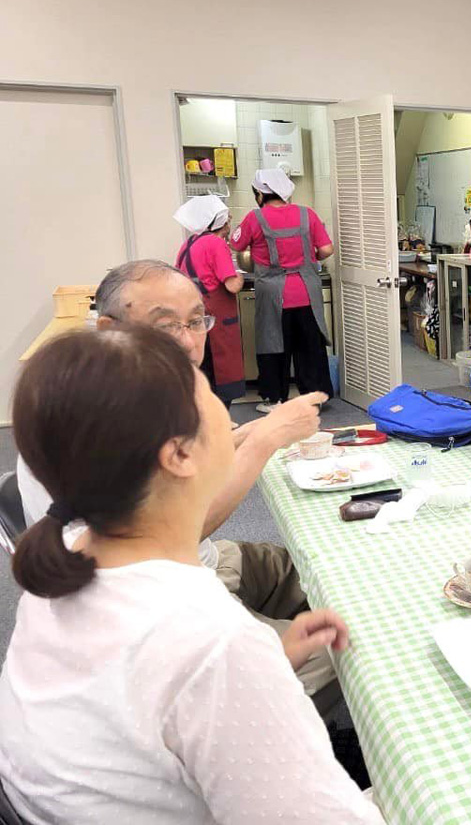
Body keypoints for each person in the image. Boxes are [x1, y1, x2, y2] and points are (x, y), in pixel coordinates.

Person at [0, 326, 385, 824]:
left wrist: (270, 659)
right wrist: (244, 667)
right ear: (180, 454)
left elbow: (140, 699)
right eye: (209, 396)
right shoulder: (208, 640)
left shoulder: (65, 560)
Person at [16, 259, 340, 713]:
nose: (189, 344)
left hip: (185, 579)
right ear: (110, 327)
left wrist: (250, 437)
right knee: (353, 651)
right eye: (166, 327)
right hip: (174, 606)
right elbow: (177, 532)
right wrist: (265, 437)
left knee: (322, 570)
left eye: (195, 321)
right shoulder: (180, 617)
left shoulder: (125, 395)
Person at [231, 167, 334, 413]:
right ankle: (315, 398)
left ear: (259, 194)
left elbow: (237, 244)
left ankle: (275, 399)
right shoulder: (306, 213)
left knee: (273, 346)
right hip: (306, 292)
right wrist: (311, 258)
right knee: (309, 346)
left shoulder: (254, 218)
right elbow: (327, 249)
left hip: (273, 294)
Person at [173, 194, 245, 406]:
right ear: (220, 221)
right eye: (228, 219)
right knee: (219, 376)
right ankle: (220, 426)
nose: (229, 222)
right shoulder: (216, 244)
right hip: (216, 321)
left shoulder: (188, 244)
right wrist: (240, 275)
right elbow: (232, 284)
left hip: (193, 316)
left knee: (200, 372)